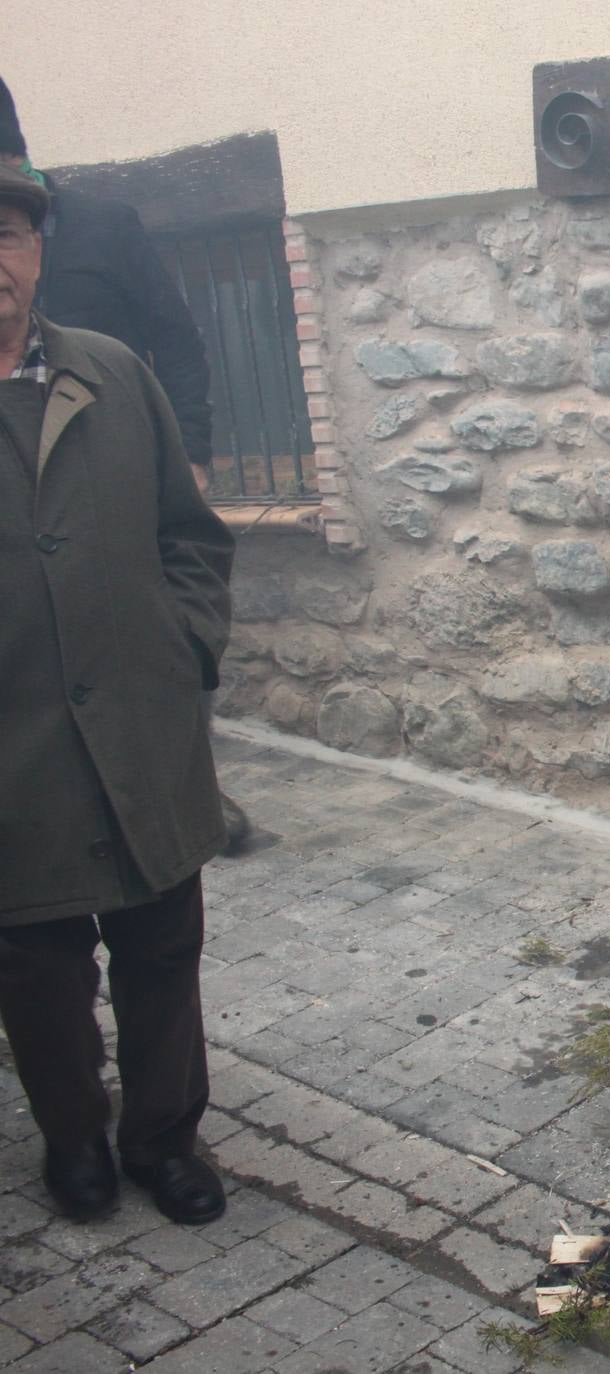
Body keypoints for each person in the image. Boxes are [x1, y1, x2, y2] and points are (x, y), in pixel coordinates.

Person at [0, 162, 235, 1225]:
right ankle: (76, 1140)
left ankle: (163, 1140)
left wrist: (185, 651)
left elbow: (189, 536)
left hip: (144, 731)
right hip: (16, 754)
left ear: (37, 251)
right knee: (39, 974)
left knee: (160, 951)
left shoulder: (110, 374)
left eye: (7, 235)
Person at [0, 74, 250, 853]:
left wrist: (193, 455)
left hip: (116, 481)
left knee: (152, 665)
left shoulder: (105, 227)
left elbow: (175, 342)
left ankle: (187, 795)